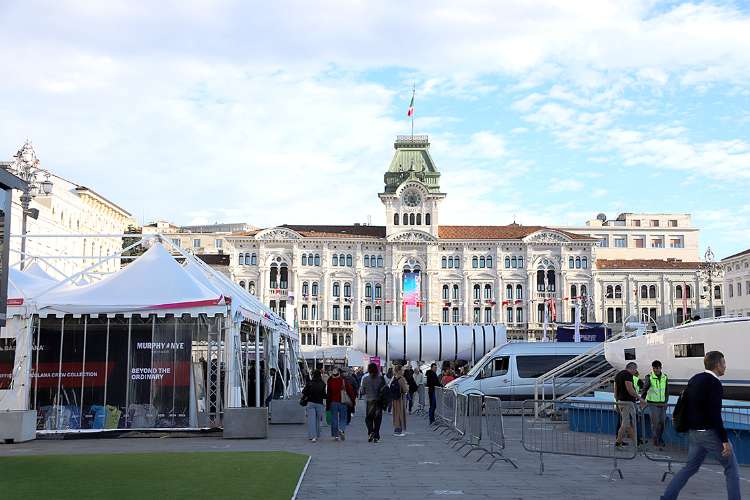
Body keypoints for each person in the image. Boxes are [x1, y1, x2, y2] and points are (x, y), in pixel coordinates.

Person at [661, 351, 740, 500]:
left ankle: (667, 497)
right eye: (723, 363)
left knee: (689, 468)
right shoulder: (714, 383)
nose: (725, 366)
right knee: (731, 468)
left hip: (694, 433)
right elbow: (715, 414)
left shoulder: (695, 378)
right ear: (717, 365)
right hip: (709, 433)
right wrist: (724, 441)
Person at [641, 360, 669, 448]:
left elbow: (666, 390)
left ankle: (660, 438)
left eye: (657, 368)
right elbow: (644, 389)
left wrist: (666, 401)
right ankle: (656, 439)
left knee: (662, 423)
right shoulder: (649, 377)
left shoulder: (665, 377)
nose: (655, 370)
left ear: (661, 368)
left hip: (662, 404)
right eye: (654, 368)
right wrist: (642, 400)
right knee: (655, 423)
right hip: (652, 404)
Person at [614, 361, 642, 448]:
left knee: (628, 424)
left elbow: (615, 391)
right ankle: (618, 443)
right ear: (632, 368)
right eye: (635, 370)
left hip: (621, 402)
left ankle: (636, 444)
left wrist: (617, 402)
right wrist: (640, 398)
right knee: (626, 424)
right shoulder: (627, 375)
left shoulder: (618, 375)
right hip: (627, 403)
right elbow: (630, 389)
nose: (635, 372)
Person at [326, 367, 356, 441]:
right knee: (343, 418)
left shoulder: (330, 381)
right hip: (343, 402)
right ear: (339, 373)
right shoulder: (343, 380)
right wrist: (353, 401)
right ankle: (341, 429)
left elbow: (328, 394)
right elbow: (350, 391)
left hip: (333, 402)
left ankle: (335, 435)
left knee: (334, 418)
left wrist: (327, 404)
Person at [361, 362, 386, 443]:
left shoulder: (365, 379)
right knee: (377, 419)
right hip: (379, 401)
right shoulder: (381, 379)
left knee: (368, 418)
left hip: (369, 401)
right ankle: (376, 436)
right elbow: (385, 390)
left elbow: (362, 391)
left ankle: (370, 431)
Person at [302, 370, 326, 442]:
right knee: (318, 420)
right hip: (319, 403)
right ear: (320, 375)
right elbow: (324, 395)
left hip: (310, 403)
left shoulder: (310, 383)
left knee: (311, 420)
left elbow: (304, 392)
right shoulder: (323, 384)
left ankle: (313, 436)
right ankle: (317, 434)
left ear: (313, 375)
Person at [391, 365, 409, 436]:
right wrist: (407, 387)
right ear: (399, 371)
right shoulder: (402, 379)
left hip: (394, 399)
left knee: (396, 413)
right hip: (400, 399)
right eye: (402, 370)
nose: (403, 371)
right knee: (400, 413)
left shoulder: (394, 378)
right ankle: (398, 431)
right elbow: (405, 390)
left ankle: (396, 429)